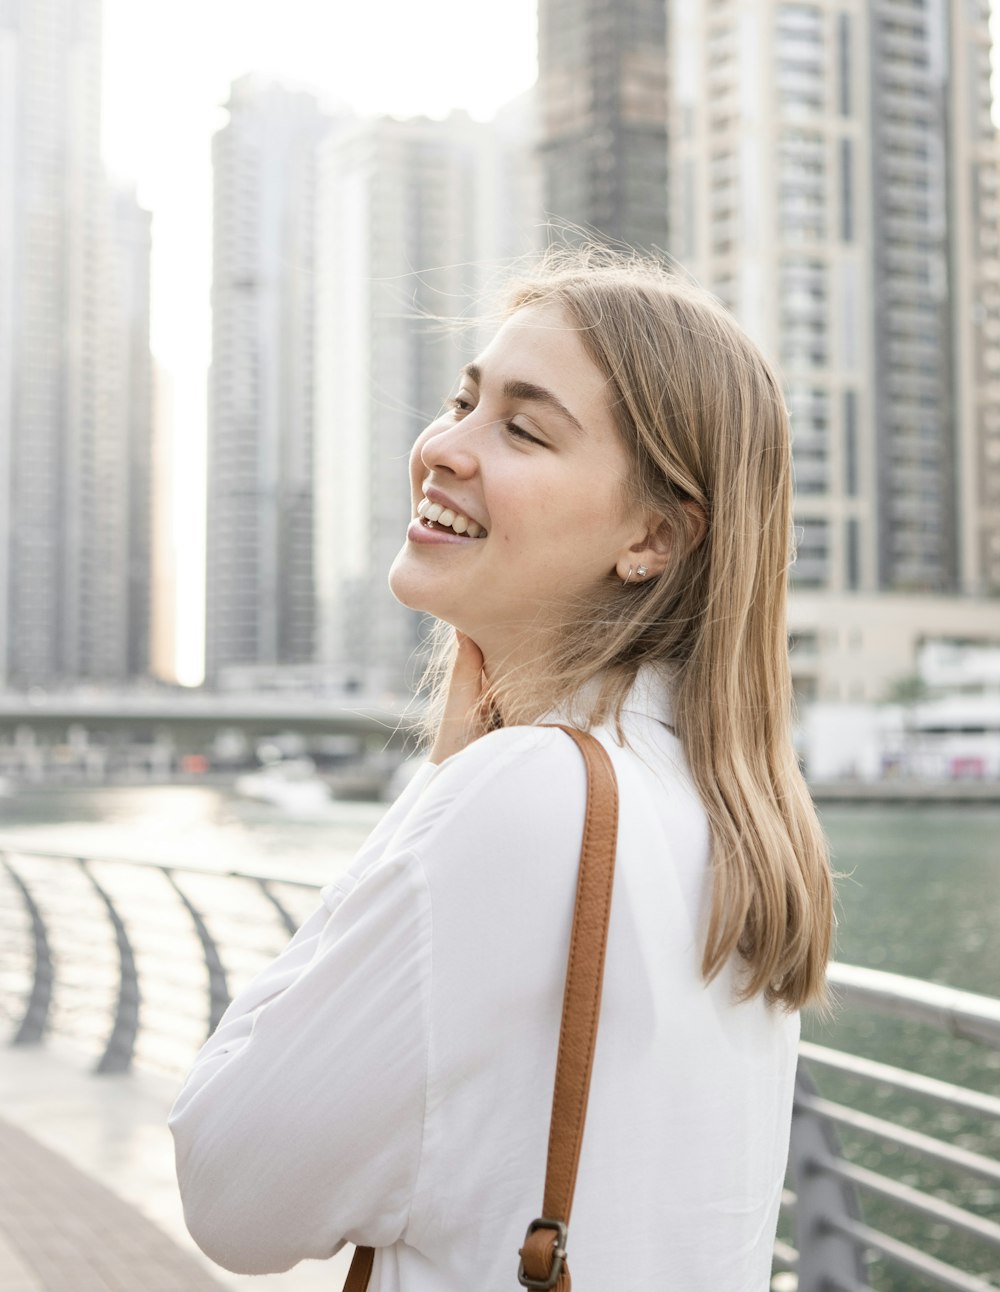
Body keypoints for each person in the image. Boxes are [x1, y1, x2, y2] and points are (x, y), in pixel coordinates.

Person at [169, 249, 834, 1291]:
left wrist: (439, 788)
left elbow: (230, 1193)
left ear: (653, 536)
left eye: (523, 427)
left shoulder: (525, 792)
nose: (442, 447)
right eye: (462, 401)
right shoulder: (726, 810)